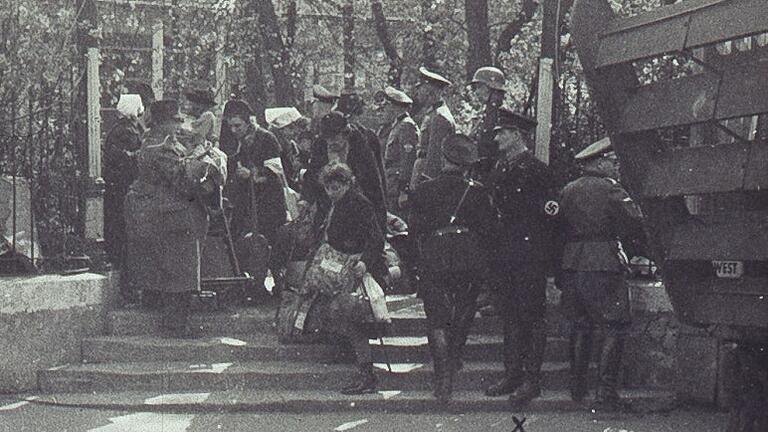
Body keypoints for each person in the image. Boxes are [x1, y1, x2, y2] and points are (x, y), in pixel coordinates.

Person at [124, 99, 225, 338]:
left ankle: (168, 316)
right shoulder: (162, 146)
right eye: (176, 120)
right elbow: (182, 179)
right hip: (171, 215)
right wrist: (204, 163)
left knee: (171, 268)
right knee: (180, 271)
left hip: (163, 213)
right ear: (163, 122)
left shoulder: (158, 141)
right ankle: (174, 326)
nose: (180, 125)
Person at [558, 137, 643, 411]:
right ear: (599, 162)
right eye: (612, 161)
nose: (616, 166)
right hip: (603, 262)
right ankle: (605, 392)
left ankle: (577, 386)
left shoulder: (568, 190)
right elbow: (635, 223)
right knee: (614, 325)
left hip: (572, 262)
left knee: (580, 324)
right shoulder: (611, 190)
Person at [482, 109, 561, 407]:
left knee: (532, 316)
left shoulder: (537, 170)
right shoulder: (499, 168)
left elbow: (551, 214)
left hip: (529, 255)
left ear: (517, 135)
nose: (497, 137)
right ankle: (512, 374)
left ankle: (532, 379)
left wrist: (544, 255)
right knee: (510, 315)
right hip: (505, 253)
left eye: (502, 132)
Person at [409, 134, 495, 401]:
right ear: (467, 163)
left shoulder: (424, 189)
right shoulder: (478, 190)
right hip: (468, 256)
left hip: (435, 254)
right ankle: (454, 359)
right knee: (465, 309)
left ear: (444, 158)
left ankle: (442, 375)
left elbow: (415, 228)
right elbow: (488, 228)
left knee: (436, 317)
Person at [308, 162, 388, 395]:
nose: (331, 192)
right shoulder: (335, 203)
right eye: (328, 188)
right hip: (340, 268)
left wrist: (365, 262)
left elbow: (376, 238)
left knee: (351, 319)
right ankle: (359, 366)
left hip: (358, 269)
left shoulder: (359, 203)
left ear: (347, 183)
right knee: (340, 317)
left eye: (335, 187)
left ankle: (367, 374)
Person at [220, 100, 288, 301]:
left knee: (270, 243)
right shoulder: (235, 141)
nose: (234, 130)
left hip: (268, 203)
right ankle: (251, 285)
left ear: (248, 122)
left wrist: (252, 174)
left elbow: (277, 171)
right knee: (246, 242)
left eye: (238, 126)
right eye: (230, 126)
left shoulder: (266, 139)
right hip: (247, 203)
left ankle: (276, 285)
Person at [305, 111, 386, 230]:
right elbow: (312, 174)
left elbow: (374, 186)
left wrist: (380, 224)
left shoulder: (361, 146)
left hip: (356, 205)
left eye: (335, 138)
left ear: (345, 134)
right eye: (328, 138)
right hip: (327, 204)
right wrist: (306, 199)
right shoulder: (320, 145)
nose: (331, 142)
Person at [104, 94, 145, 283]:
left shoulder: (120, 129)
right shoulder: (127, 131)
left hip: (119, 186)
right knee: (126, 231)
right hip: (124, 186)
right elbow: (128, 159)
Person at [410, 67, 455, 188]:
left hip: (429, 180)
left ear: (430, 90)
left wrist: (427, 184)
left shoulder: (440, 117)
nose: (417, 92)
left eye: (421, 88)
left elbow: (435, 156)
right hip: (421, 172)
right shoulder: (433, 114)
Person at [376, 86, 419, 215]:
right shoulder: (397, 125)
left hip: (397, 183)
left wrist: (404, 190)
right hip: (391, 181)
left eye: (387, 105)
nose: (385, 108)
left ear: (395, 106)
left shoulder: (406, 125)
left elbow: (408, 160)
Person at [469, 66, 507, 163]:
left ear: (492, 88)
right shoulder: (485, 114)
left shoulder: (503, 116)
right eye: (475, 88)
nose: (476, 92)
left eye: (480, 87)